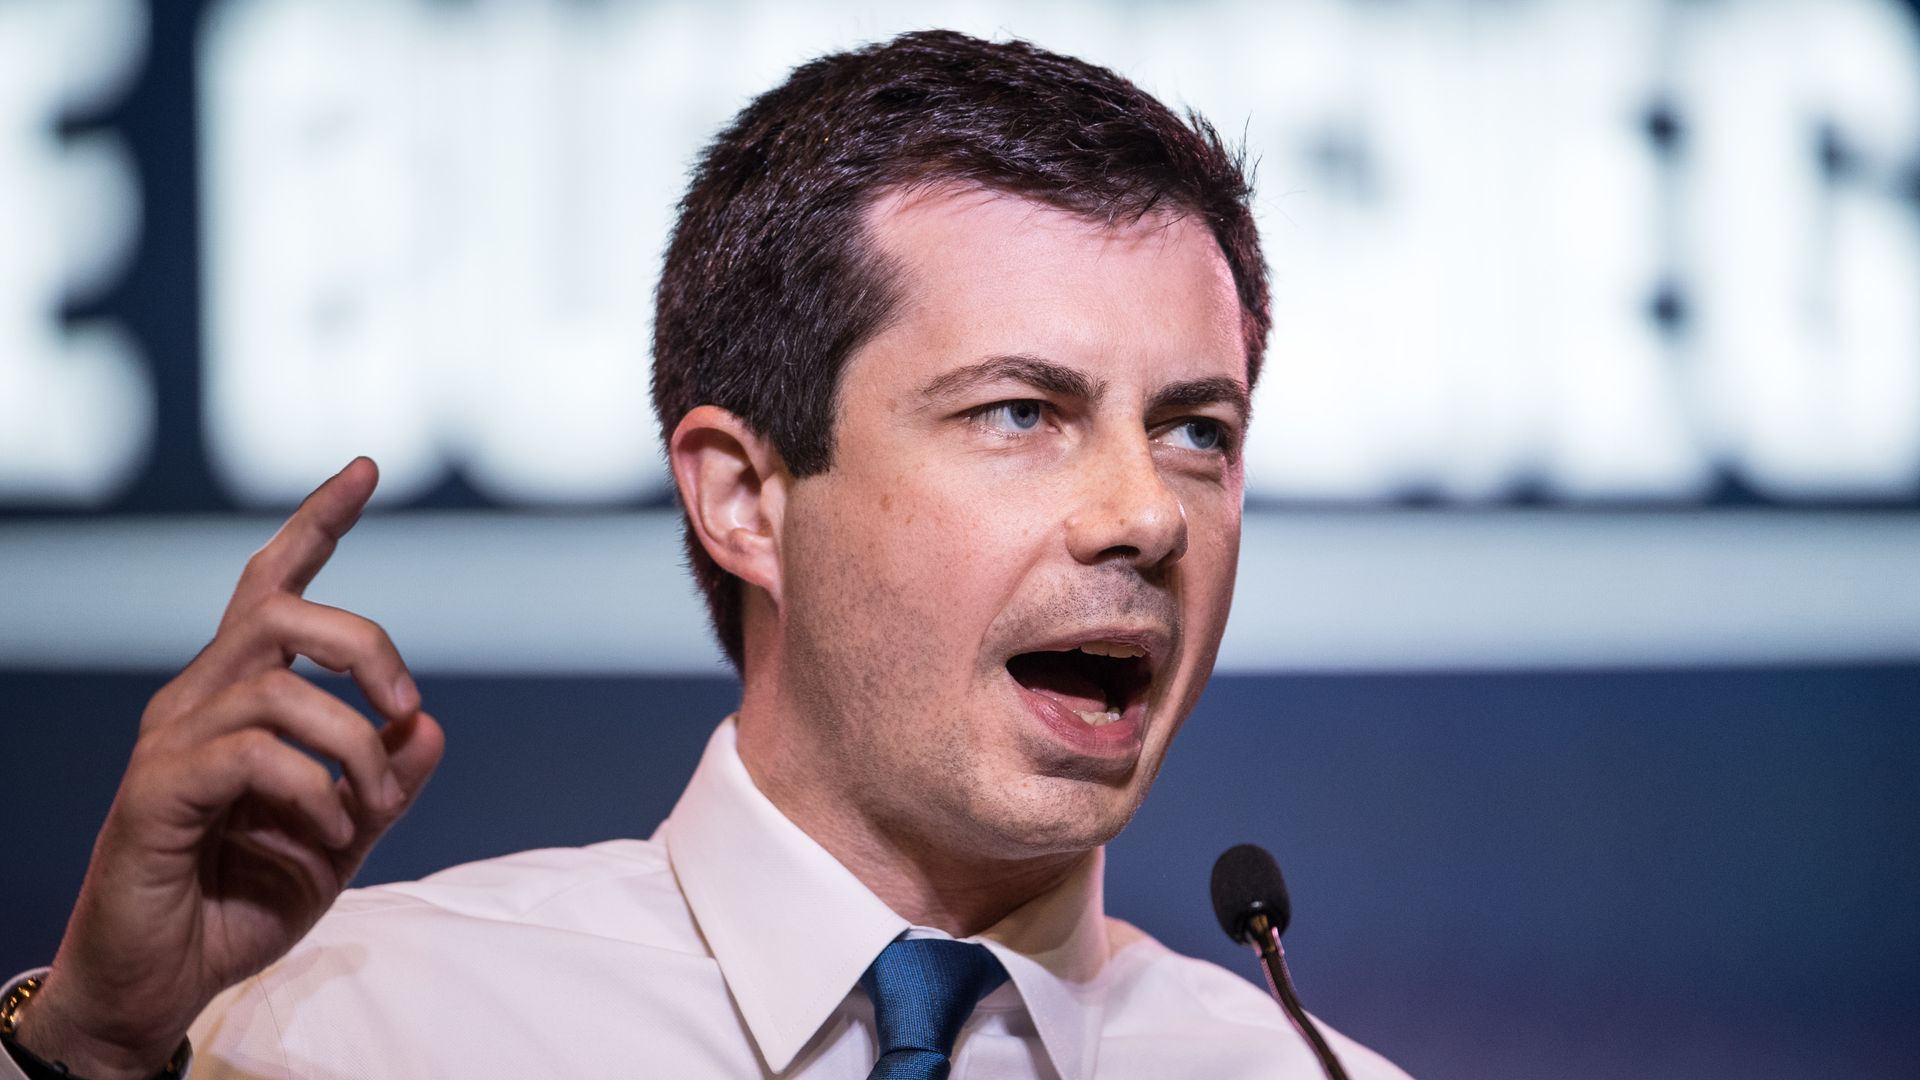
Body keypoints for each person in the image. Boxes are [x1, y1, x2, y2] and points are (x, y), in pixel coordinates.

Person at [1, 30, 1412, 1080]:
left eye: (1194, 431)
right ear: (744, 498)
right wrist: (87, 1049)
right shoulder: (341, 1028)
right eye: (1021, 412)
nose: (1148, 516)